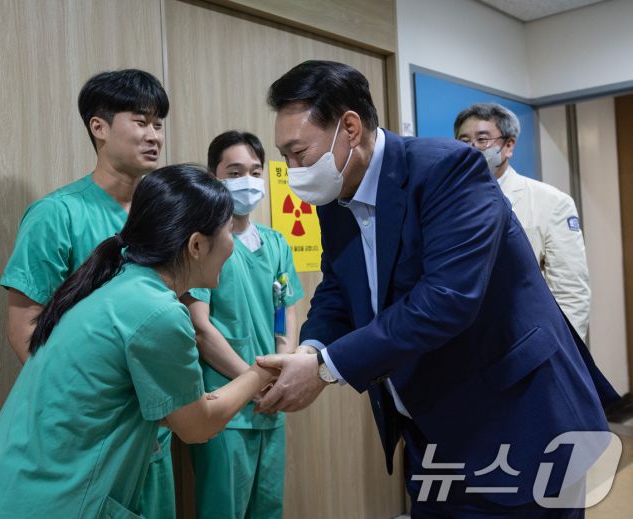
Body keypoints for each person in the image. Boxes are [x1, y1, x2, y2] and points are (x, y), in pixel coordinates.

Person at [255, 60, 619, 516]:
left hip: (517, 418)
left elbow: (446, 300)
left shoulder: (447, 169)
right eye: (284, 157)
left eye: (299, 153)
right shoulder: (335, 197)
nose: (292, 171)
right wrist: (310, 350)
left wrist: (326, 368)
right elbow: (337, 289)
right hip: (431, 428)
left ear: (349, 128)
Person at [0, 165, 278, 519]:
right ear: (196, 245)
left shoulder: (120, 286)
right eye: (228, 230)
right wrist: (262, 373)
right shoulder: (158, 312)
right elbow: (197, 426)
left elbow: (175, 408)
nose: (232, 245)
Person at [0, 69, 175, 518]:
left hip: (155, 427)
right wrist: (88, 415)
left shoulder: (163, 219)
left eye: (159, 124)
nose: (154, 136)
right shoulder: (56, 215)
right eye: (141, 122)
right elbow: (24, 329)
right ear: (99, 127)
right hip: (92, 433)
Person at [181, 131, 303, 519]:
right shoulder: (200, 243)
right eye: (234, 173)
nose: (247, 182)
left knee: (268, 508)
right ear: (213, 178)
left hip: (271, 404)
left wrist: (282, 371)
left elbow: (287, 311)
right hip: (226, 407)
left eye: (254, 171)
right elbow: (200, 328)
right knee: (224, 509)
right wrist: (255, 382)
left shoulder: (276, 243)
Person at [454, 103, 591, 340]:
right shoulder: (446, 199)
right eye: (463, 141)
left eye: (482, 139)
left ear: (508, 146)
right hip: (461, 337)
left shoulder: (551, 202)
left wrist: (561, 347)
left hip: (523, 337)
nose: (472, 148)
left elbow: (571, 290)